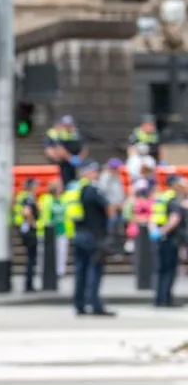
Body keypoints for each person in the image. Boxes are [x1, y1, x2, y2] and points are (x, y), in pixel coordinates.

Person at [63, 161, 114, 316]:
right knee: (95, 269)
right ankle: (94, 303)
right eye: (94, 171)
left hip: (78, 233)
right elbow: (107, 208)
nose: (96, 174)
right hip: (94, 235)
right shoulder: (92, 190)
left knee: (80, 270)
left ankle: (79, 303)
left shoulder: (75, 189)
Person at [151, 175, 186, 307]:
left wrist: (156, 232)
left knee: (161, 269)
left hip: (160, 238)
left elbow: (154, 216)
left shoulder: (162, 198)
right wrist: (164, 231)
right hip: (171, 238)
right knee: (169, 270)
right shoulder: (174, 200)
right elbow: (174, 219)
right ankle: (166, 298)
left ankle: (159, 298)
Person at [15, 178, 41, 292]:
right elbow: (27, 212)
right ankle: (29, 284)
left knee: (31, 258)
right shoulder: (28, 198)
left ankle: (29, 283)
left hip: (25, 229)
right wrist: (33, 223)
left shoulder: (23, 196)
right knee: (31, 258)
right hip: (29, 230)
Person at [45, 115, 86, 185]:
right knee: (64, 181)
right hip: (62, 163)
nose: (68, 127)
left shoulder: (76, 133)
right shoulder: (58, 134)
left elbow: (83, 146)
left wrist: (79, 158)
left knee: (74, 182)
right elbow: (57, 148)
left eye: (70, 125)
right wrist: (70, 158)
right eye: (66, 125)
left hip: (73, 163)